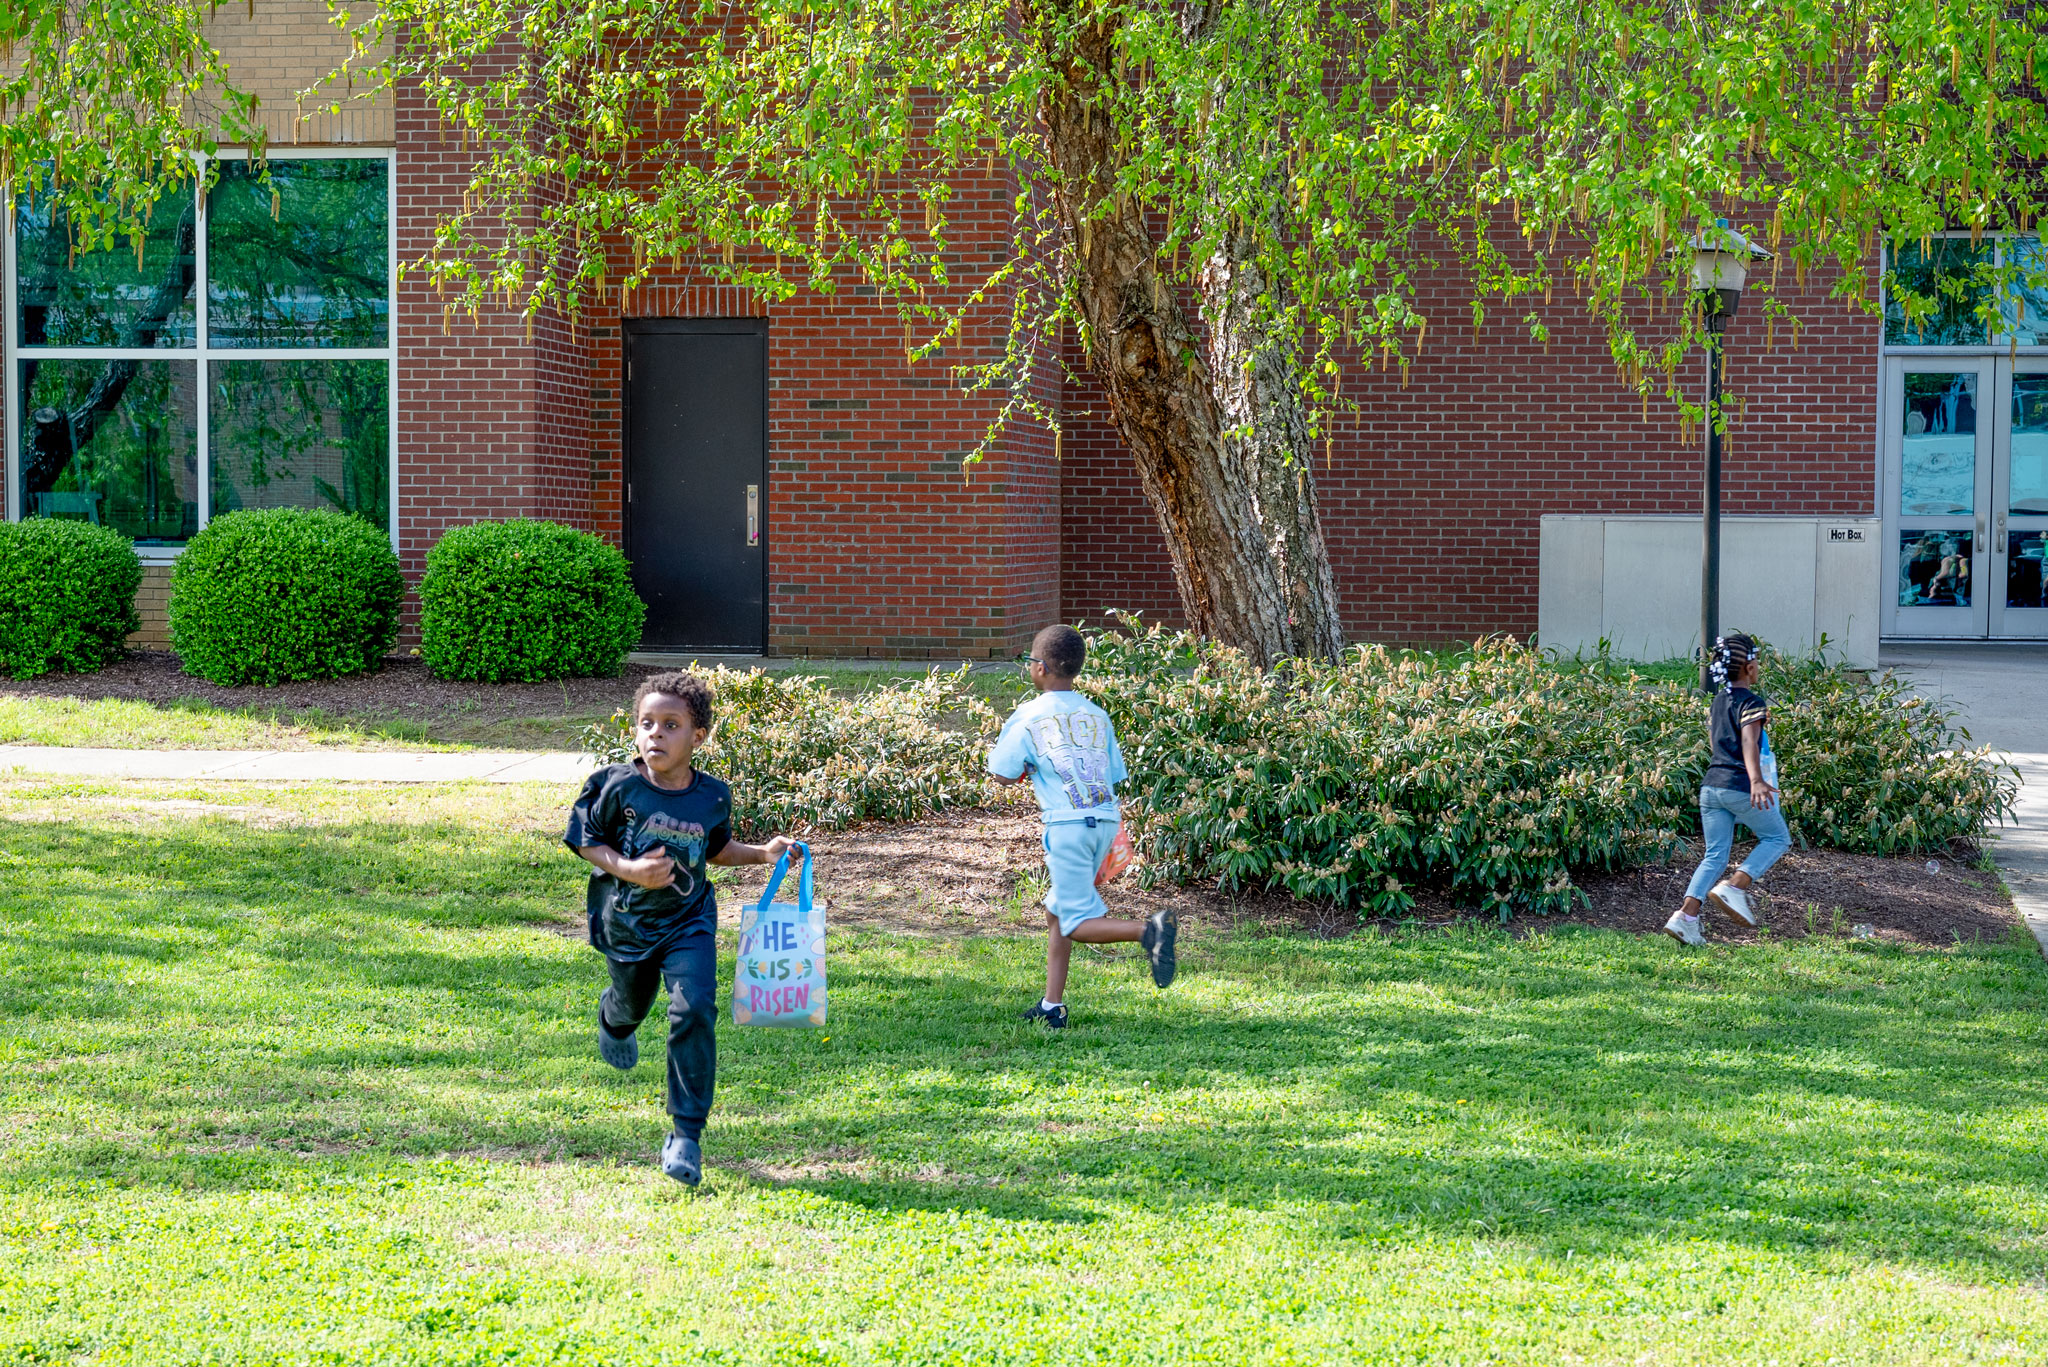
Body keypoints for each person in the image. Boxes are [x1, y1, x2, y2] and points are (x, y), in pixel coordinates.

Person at [566, 670, 793, 1186]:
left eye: (671, 725)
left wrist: (763, 853)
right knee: (632, 1005)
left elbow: (714, 848)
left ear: (699, 736)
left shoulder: (711, 796)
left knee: (694, 1008)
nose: (656, 735)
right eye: (647, 724)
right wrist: (629, 870)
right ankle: (613, 1019)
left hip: (690, 921)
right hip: (626, 923)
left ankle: (686, 1134)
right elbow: (584, 839)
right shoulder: (615, 785)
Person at [989, 624, 1176, 1027]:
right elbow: (1110, 775)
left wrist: (1023, 772)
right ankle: (1051, 1006)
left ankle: (1151, 931)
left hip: (1067, 827)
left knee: (1076, 922)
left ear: (1039, 668)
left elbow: (1001, 774)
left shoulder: (1028, 715)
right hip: (1105, 821)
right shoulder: (1097, 715)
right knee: (1059, 909)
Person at [1664, 634, 1792, 947]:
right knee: (1777, 838)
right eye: (1757, 663)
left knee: (1715, 856)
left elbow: (1715, 743)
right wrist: (1756, 779)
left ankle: (1686, 918)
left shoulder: (1719, 702)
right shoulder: (1752, 702)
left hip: (1711, 787)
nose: (1759, 667)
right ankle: (1736, 886)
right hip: (1738, 786)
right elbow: (1749, 741)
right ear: (1749, 667)